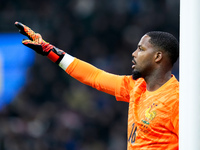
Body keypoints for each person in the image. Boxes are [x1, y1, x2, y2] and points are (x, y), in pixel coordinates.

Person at [15, 21, 179, 150]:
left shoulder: (177, 101)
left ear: (157, 56)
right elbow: (94, 76)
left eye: (141, 49)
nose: (134, 53)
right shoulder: (136, 87)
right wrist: (48, 49)